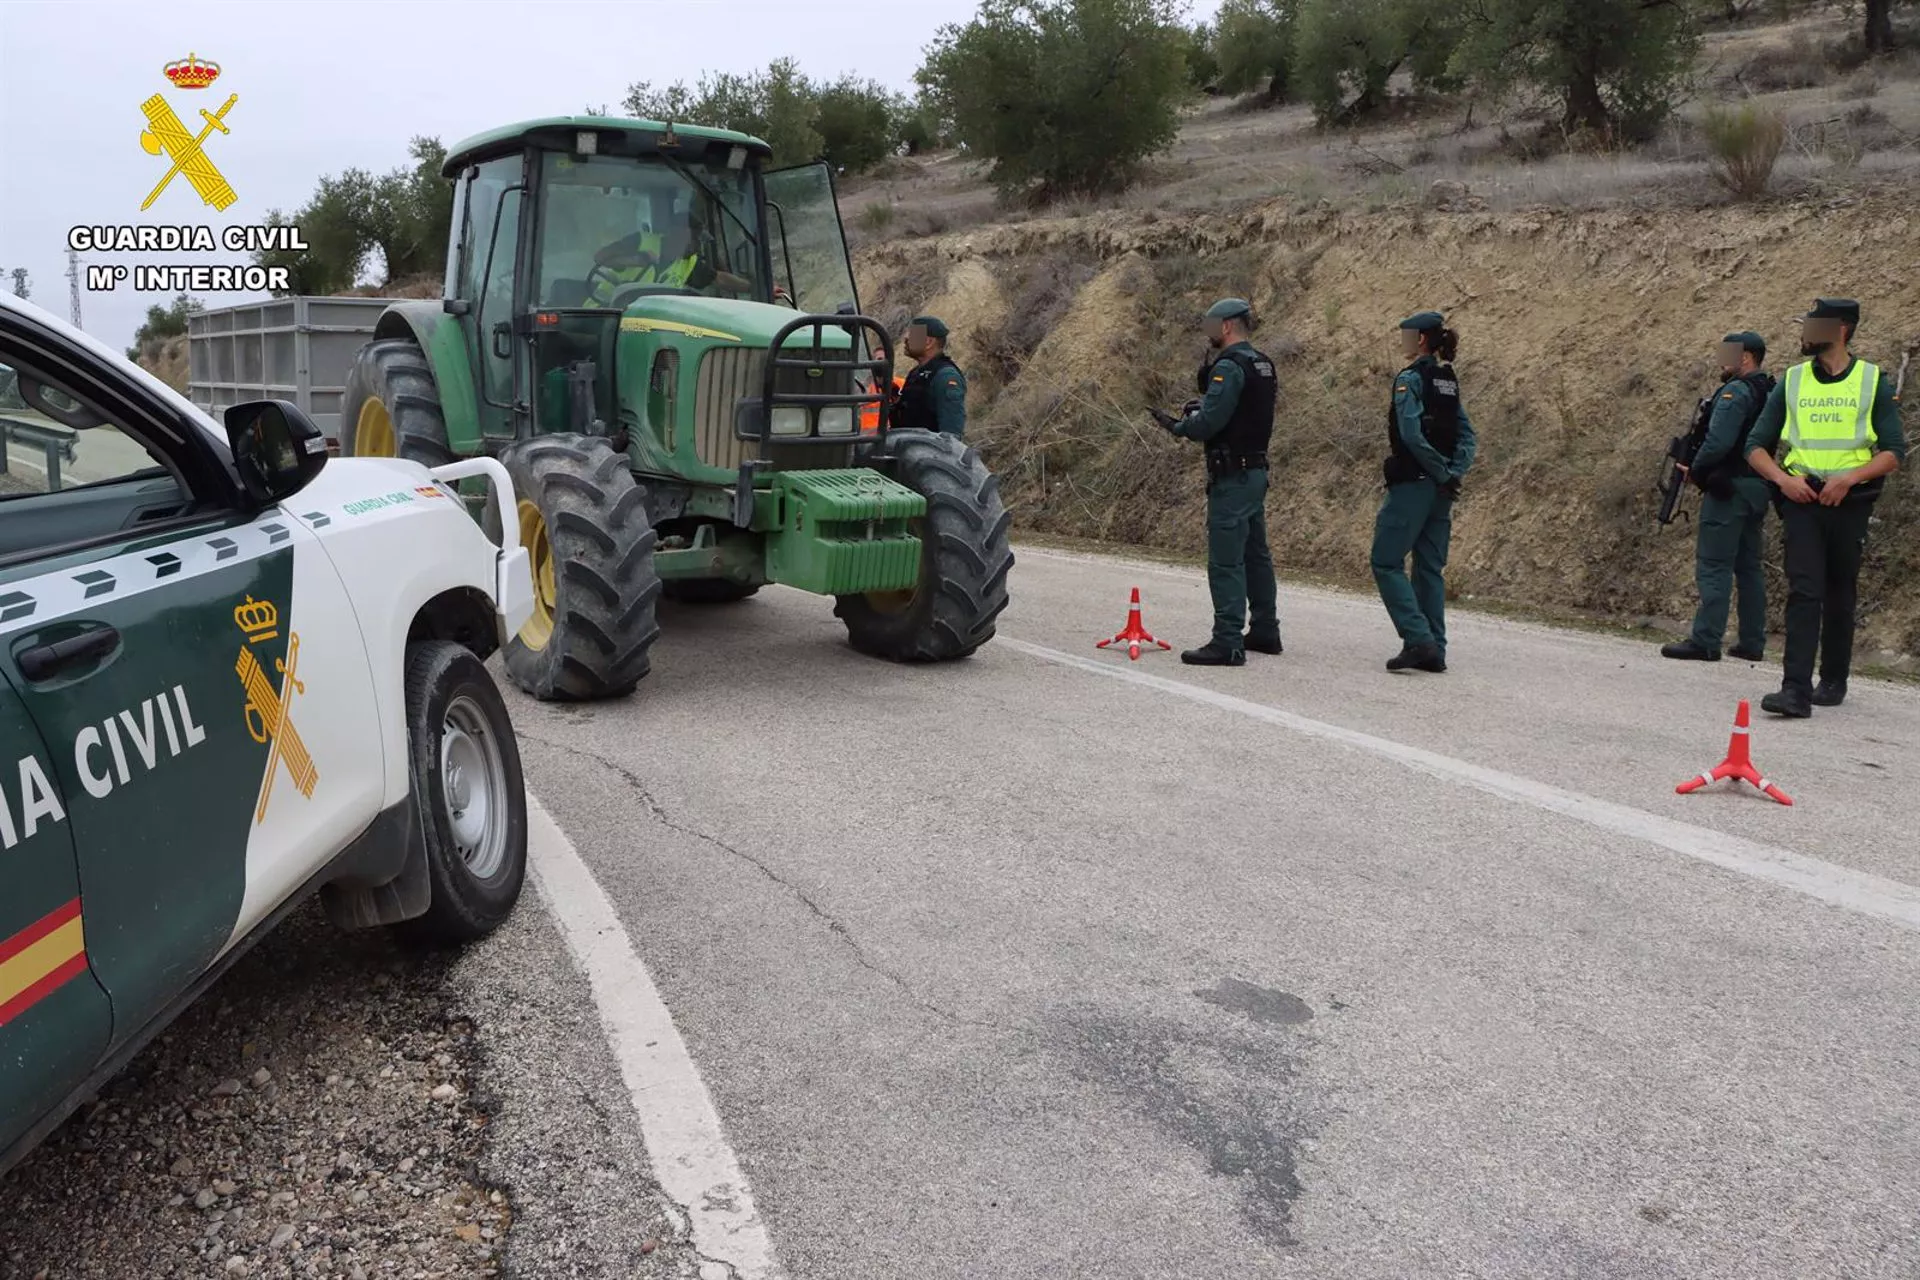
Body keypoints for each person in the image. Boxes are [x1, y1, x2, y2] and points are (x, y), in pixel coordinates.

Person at [1745, 297, 1907, 717]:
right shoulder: (1792, 381)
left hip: (1850, 500)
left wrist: (1850, 479)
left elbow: (1893, 451)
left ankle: (1833, 678)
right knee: (1805, 589)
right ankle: (1794, 690)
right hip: (1801, 499)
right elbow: (1755, 448)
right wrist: (1784, 480)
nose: (1805, 333)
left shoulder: (1872, 381)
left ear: (1840, 330)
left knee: (1839, 590)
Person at [1149, 297, 1281, 666]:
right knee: (1256, 555)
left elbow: (1209, 422)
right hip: (1255, 470)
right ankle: (1266, 630)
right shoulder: (1263, 363)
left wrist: (1180, 425)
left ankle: (1227, 641)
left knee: (1226, 561)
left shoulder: (1230, 366)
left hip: (1233, 476)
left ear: (1225, 327)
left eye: (1210, 325)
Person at [1662, 331, 1777, 663]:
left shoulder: (1736, 392)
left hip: (1730, 489)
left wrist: (1696, 470)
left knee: (1714, 564)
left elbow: (1718, 442)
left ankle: (1706, 640)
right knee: (1749, 566)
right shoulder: (1769, 390)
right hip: (1757, 486)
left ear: (1745, 357)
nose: (1721, 361)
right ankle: (1752, 642)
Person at [1372, 311, 1476, 673]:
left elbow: (1412, 434)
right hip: (1440, 489)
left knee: (1385, 561)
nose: (1401, 340)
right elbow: (1467, 436)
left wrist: (1437, 471)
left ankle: (1418, 639)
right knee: (1429, 569)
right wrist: (1451, 473)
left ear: (1419, 340)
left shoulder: (1411, 378)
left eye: (1405, 335)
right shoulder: (1448, 379)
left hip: (1414, 484)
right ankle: (1435, 649)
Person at [587, 203, 750, 306]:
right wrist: (636, 260)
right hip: (603, 311)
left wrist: (754, 287)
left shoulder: (688, 262)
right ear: (677, 234)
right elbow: (600, 257)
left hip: (639, 323)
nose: (698, 247)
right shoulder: (640, 241)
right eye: (695, 239)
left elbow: (719, 278)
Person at [893, 316, 967, 438]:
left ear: (928, 342)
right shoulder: (915, 373)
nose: (906, 338)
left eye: (913, 334)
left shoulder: (945, 377)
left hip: (930, 453)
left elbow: (951, 436)